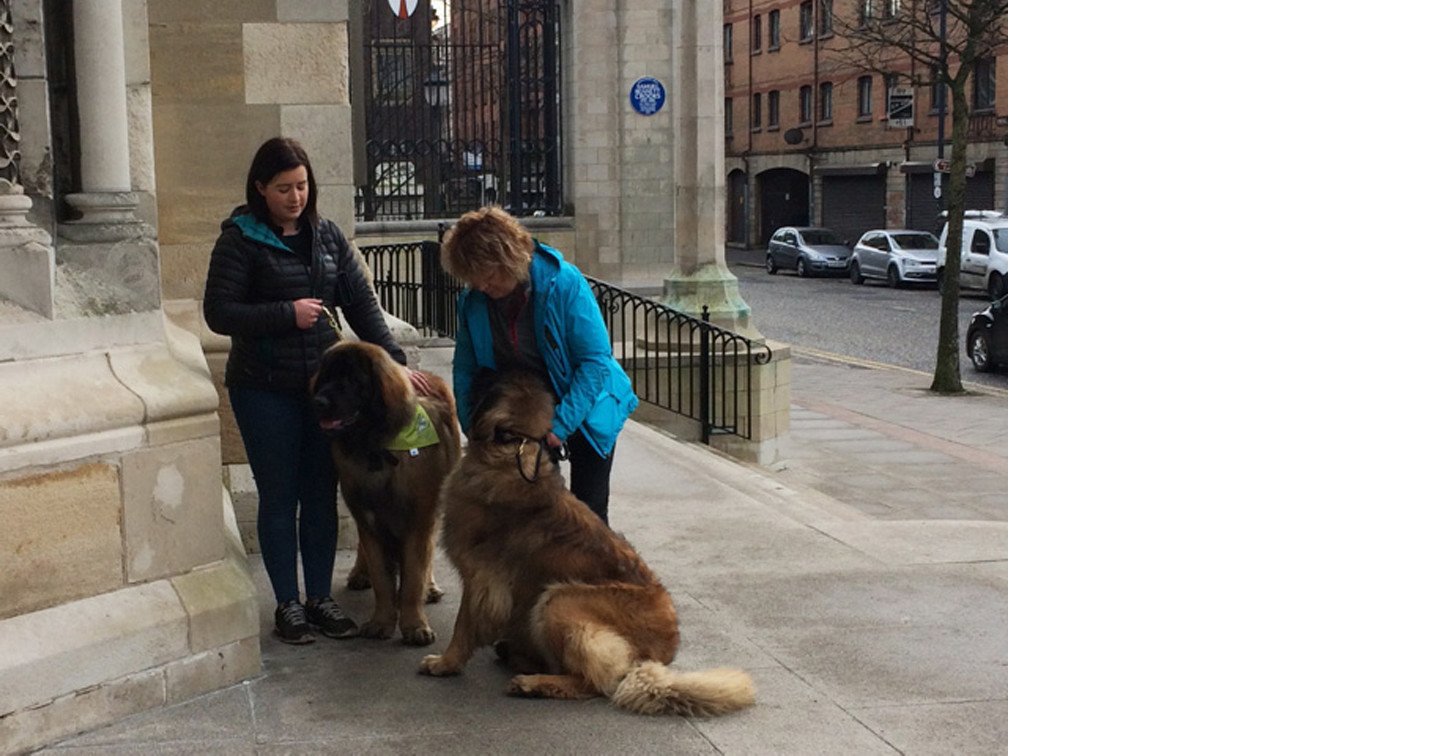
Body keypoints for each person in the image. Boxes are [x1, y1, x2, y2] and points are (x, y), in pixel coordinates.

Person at [203, 137, 426, 645]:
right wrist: (287, 313)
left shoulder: (327, 237)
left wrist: (394, 362)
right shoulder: (239, 240)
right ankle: (287, 604)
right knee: (279, 497)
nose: (295, 197)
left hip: (325, 394)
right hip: (263, 390)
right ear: (260, 188)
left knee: (321, 495)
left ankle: (320, 598)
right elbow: (218, 313)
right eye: (283, 188)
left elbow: (363, 307)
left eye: (301, 186)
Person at [441, 206, 639, 525]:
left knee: (587, 516)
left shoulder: (564, 283)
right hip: (527, 410)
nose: (481, 287)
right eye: (473, 280)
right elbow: (465, 366)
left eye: (488, 277)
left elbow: (595, 360)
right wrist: (469, 421)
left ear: (508, 259)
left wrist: (561, 425)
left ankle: (595, 576)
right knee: (531, 512)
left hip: (586, 403)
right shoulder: (473, 300)